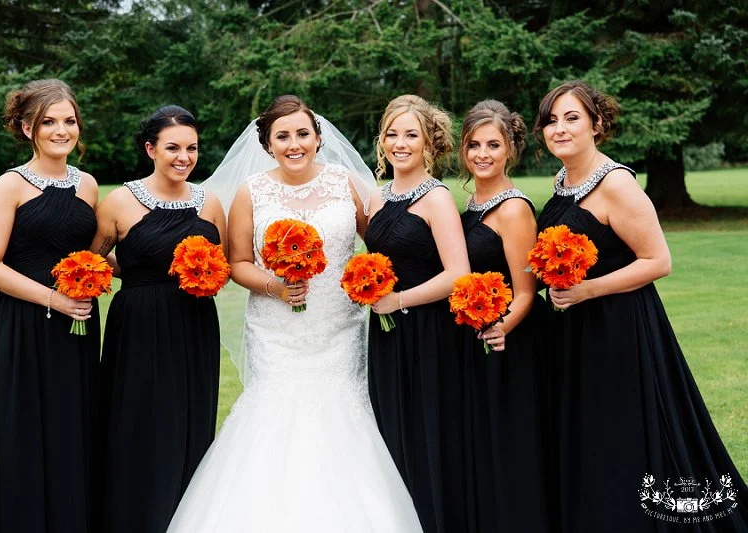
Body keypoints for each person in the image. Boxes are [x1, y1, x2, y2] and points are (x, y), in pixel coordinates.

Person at [167, 95, 423, 532]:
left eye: (303, 134)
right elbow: (238, 263)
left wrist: (373, 279)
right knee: (273, 413)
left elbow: (382, 241)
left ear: (318, 137)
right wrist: (276, 286)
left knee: (342, 415)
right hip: (276, 330)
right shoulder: (252, 192)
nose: (294, 144)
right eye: (282, 136)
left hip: (339, 327)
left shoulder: (346, 184)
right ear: (268, 144)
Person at [535, 80, 748, 532]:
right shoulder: (562, 182)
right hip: (574, 333)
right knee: (589, 433)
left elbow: (658, 261)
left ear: (597, 124)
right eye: (551, 121)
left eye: (572, 118)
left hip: (619, 329)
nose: (560, 129)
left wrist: (588, 290)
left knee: (622, 432)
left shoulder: (616, 183)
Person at [0, 79, 100, 532]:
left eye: (69, 121)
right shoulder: (10, 185)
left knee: (70, 426)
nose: (61, 130)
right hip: (23, 325)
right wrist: (54, 298)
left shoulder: (88, 185)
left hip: (76, 329)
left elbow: (92, 255)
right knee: (22, 427)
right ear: (27, 127)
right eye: (48, 122)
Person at [91, 105, 226, 533]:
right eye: (172, 148)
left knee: (190, 417)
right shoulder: (120, 201)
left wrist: (204, 274)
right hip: (139, 324)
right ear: (151, 149)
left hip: (195, 322)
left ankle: (186, 518)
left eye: (192, 148)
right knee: (139, 421)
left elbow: (222, 263)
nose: (184, 157)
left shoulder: (210, 203)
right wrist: (136, 272)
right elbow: (93, 258)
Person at [364, 94, 471, 533]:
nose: (400, 143)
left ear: (429, 142)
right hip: (385, 334)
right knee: (390, 431)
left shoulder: (437, 198)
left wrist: (399, 301)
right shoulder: (377, 197)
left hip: (429, 333)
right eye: (392, 134)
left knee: (425, 433)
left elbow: (458, 274)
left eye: (411, 135)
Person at [457, 99, 553, 533]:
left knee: (509, 439)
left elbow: (527, 290)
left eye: (493, 145)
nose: (482, 154)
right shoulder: (472, 203)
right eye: (474, 144)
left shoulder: (514, 209)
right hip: (475, 334)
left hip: (509, 342)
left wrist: (499, 329)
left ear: (510, 149)